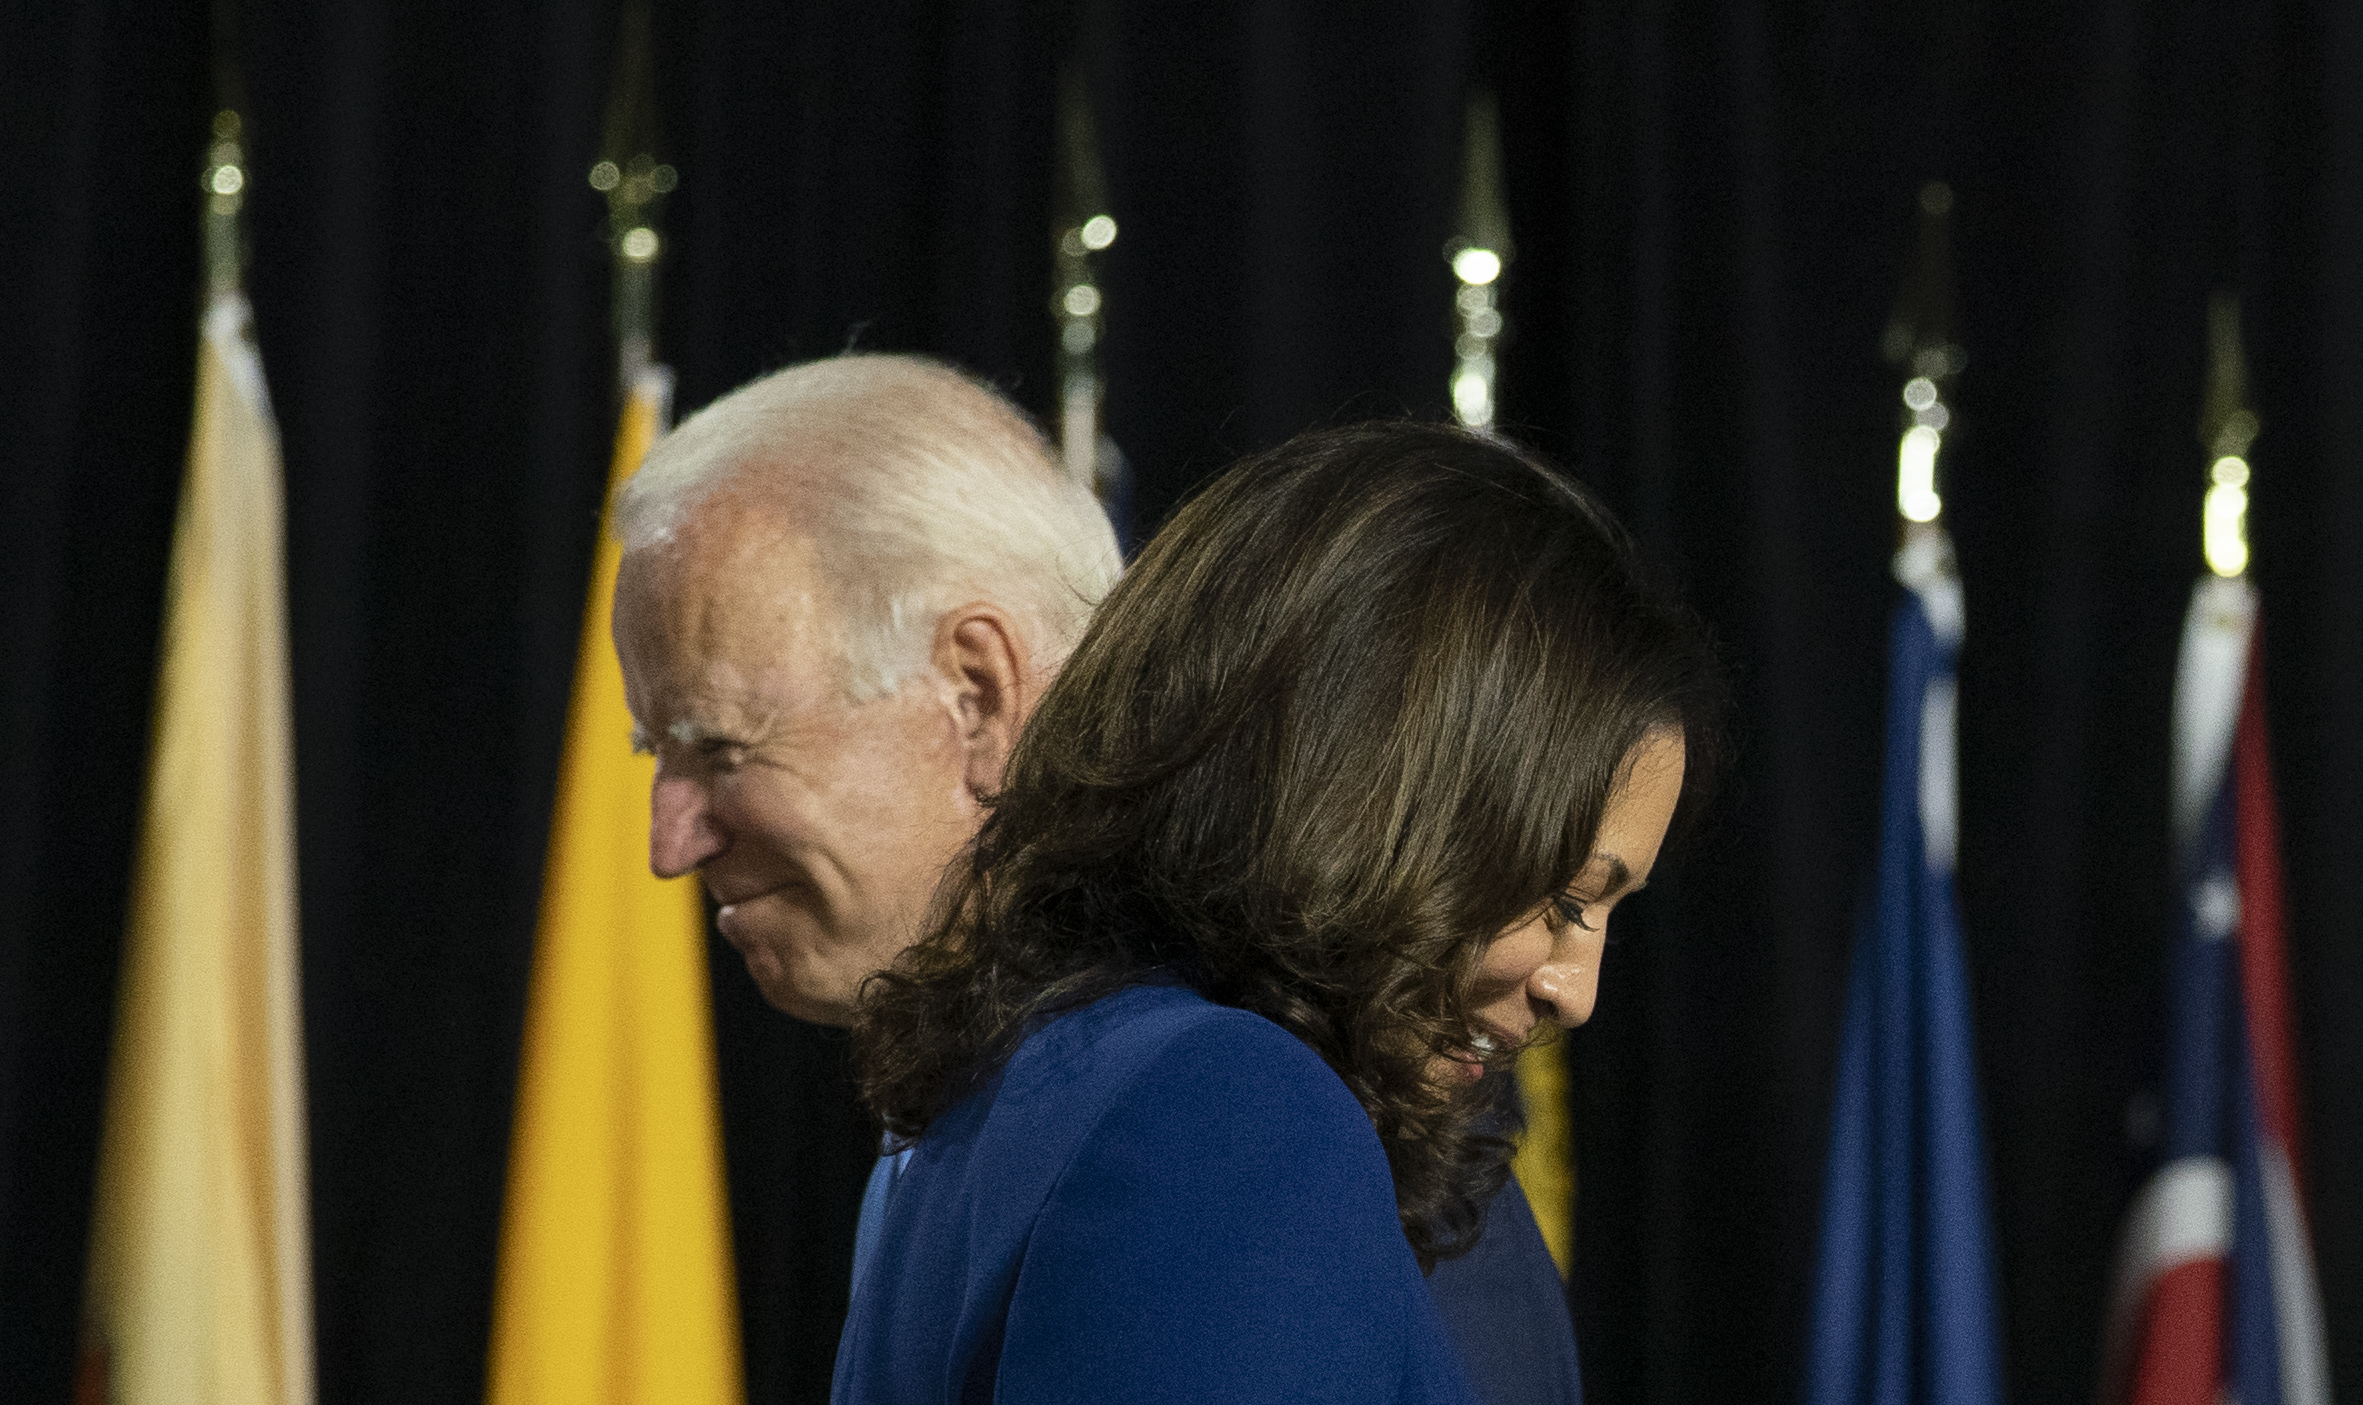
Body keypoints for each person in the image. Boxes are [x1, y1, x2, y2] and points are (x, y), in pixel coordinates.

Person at [610, 356, 1598, 1401]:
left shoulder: (1234, 1112)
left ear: (975, 692)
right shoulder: (982, 1115)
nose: (669, 844)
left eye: (718, 747)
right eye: (654, 756)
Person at [838, 421, 1721, 1404]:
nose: (1576, 990)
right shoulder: (1225, 1114)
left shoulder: (1038, 1076)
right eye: (1561, 898)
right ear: (1363, 799)